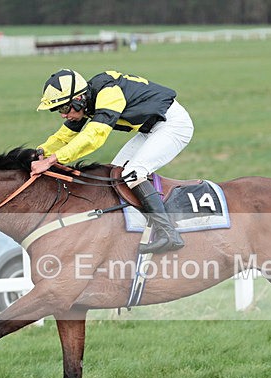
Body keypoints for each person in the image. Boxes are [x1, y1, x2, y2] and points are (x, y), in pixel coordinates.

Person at [31, 69, 193, 254]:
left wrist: (51, 160)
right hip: (150, 129)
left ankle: (168, 233)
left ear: (78, 99)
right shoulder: (85, 101)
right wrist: (39, 152)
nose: (63, 115)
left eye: (64, 109)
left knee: (133, 173)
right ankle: (128, 230)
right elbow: (64, 136)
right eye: (59, 110)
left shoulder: (108, 94)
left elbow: (94, 136)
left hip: (173, 126)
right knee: (113, 175)